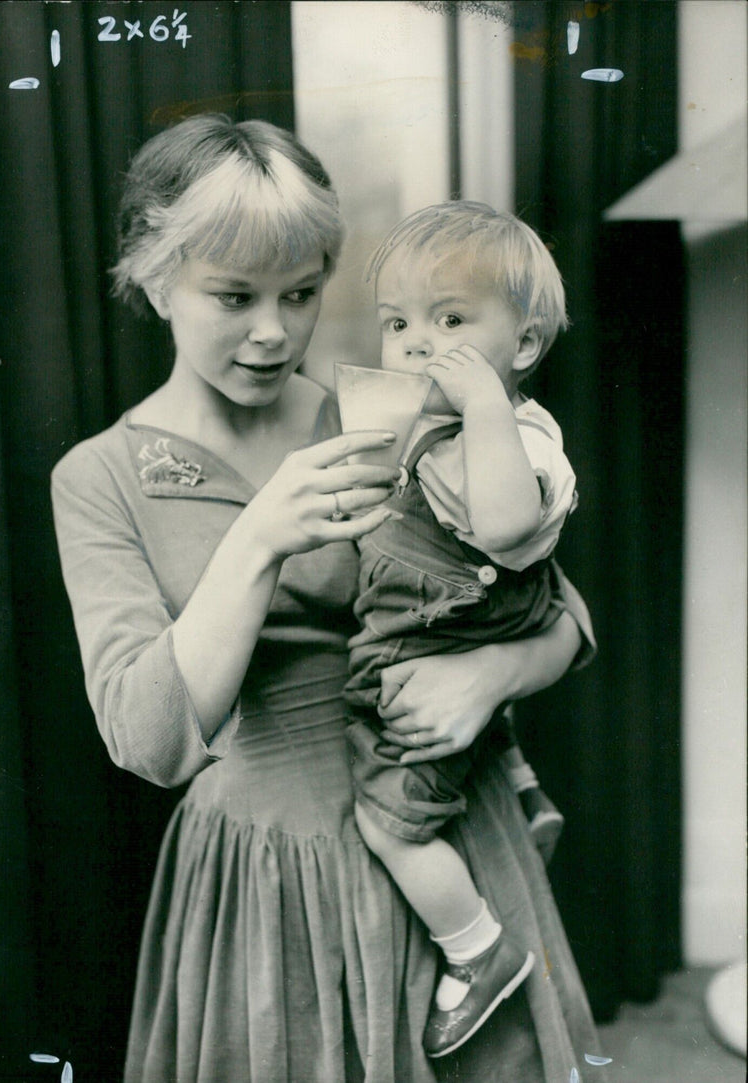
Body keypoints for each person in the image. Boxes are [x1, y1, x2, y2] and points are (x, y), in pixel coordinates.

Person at [51, 115, 604, 1082]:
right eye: (234, 296)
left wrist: (493, 671)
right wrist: (259, 535)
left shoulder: (384, 413)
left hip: (439, 830)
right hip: (267, 873)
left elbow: (557, 607)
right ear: (152, 277)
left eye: (301, 294)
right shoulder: (99, 478)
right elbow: (148, 740)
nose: (273, 330)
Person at [343, 201, 587, 1058]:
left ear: (521, 347)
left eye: (450, 320)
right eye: (398, 323)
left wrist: (485, 410)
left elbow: (512, 527)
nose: (417, 343)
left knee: (387, 816)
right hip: (451, 622)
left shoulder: (521, 436)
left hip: (444, 633)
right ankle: (519, 783)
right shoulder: (430, 425)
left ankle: (478, 950)